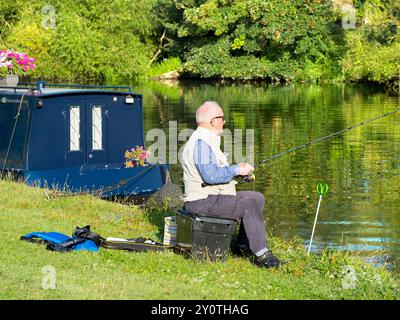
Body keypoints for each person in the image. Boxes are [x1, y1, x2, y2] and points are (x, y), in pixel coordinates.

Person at [181, 101, 281, 269]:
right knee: (247, 203)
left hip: (210, 196)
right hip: (200, 201)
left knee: (256, 198)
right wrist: (237, 169)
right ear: (213, 121)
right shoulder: (201, 144)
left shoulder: (207, 140)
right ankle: (263, 255)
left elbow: (213, 174)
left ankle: (242, 247)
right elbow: (211, 176)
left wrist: (237, 174)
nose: (224, 121)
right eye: (222, 118)